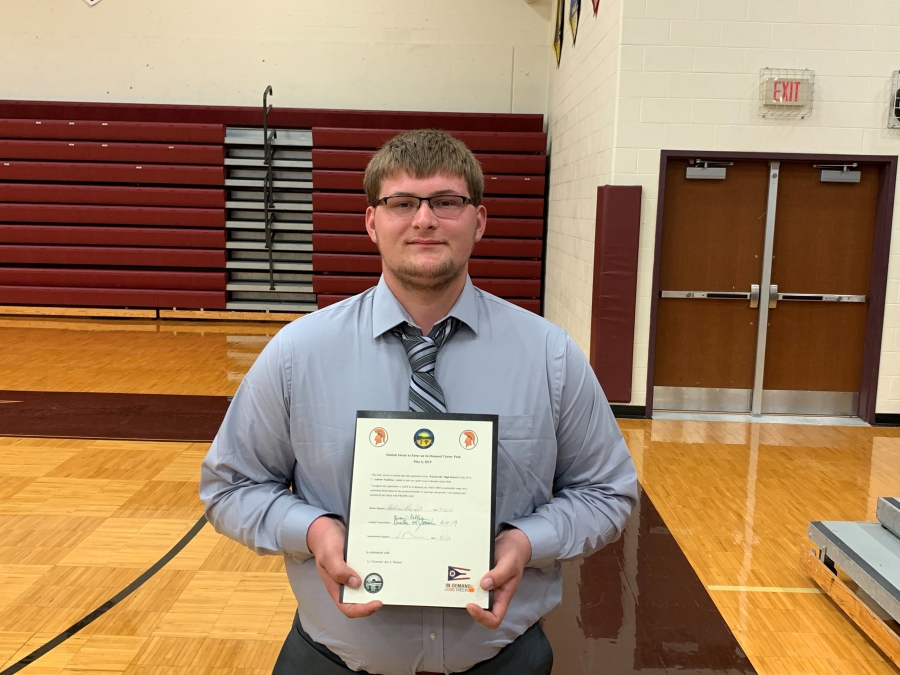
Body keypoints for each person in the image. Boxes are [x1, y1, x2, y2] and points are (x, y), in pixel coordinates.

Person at [199, 129, 638, 675]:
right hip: (332, 659)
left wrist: (527, 541)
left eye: (446, 202)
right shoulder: (298, 353)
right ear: (372, 222)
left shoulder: (548, 355)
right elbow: (230, 486)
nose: (424, 220)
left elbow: (608, 492)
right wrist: (314, 530)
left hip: (503, 659)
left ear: (478, 220)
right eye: (402, 203)